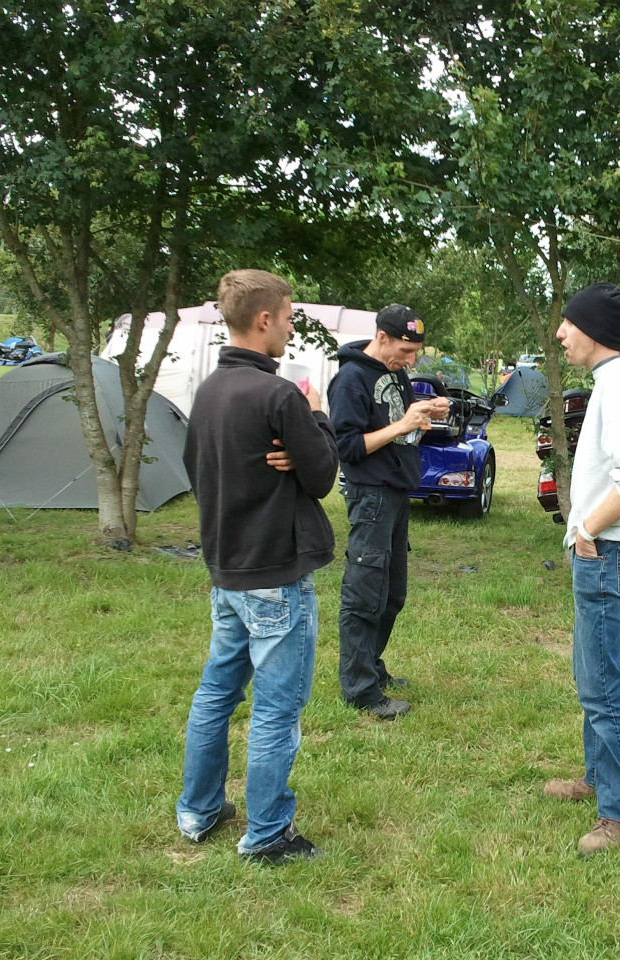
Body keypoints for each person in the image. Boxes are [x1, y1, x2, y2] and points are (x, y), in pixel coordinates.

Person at [176, 269, 339, 864]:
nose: (291, 330)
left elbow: (199, 466)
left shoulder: (210, 391)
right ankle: (267, 834)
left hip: (228, 570)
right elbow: (323, 476)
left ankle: (197, 811)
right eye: (289, 318)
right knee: (276, 708)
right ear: (264, 319)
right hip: (275, 574)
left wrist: (288, 455)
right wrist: (315, 418)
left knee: (216, 693)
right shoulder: (279, 395)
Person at [541, 282, 620, 857]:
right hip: (602, 549)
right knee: (590, 672)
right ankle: (596, 779)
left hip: (607, 550)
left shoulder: (618, 385)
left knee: (602, 683)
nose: (560, 333)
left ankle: (618, 813)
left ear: (591, 329)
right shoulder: (616, 380)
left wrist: (589, 529)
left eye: (568, 323)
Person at [327, 305, 450, 720]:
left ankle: (371, 668)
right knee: (364, 593)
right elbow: (346, 447)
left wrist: (424, 413)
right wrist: (402, 425)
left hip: (396, 491)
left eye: (416, 352)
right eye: (405, 350)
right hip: (370, 495)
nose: (411, 361)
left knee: (392, 593)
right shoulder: (350, 379)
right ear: (381, 337)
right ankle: (359, 690)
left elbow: (399, 423)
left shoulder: (394, 373)